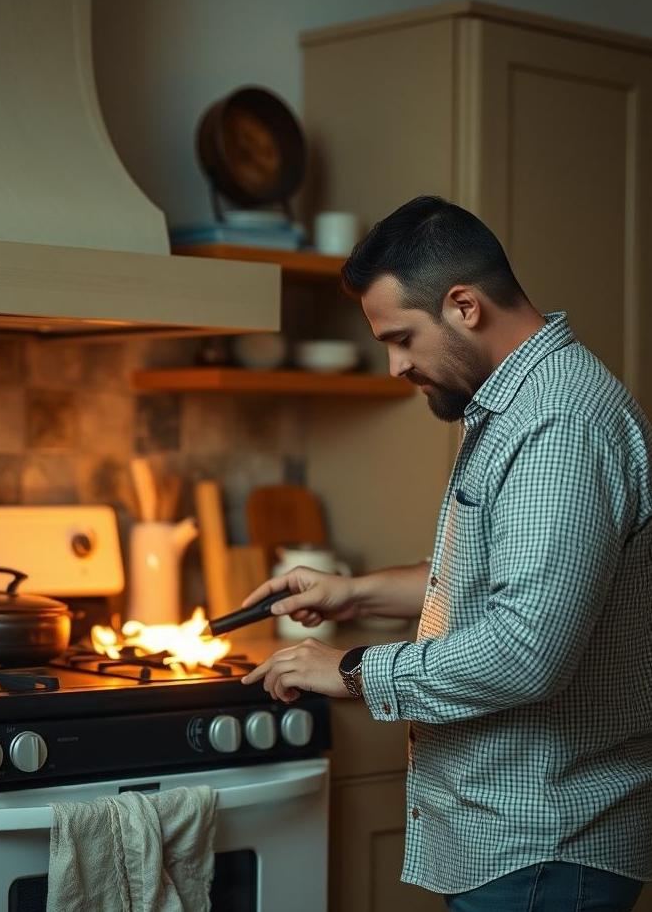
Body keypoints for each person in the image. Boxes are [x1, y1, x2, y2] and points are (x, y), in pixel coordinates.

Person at [241, 195, 652, 911]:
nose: (396, 365)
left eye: (401, 337)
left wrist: (347, 669)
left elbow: (526, 648)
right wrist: (351, 592)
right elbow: (502, 584)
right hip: (519, 845)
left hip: (544, 846)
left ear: (463, 304)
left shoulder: (556, 421)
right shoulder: (510, 405)